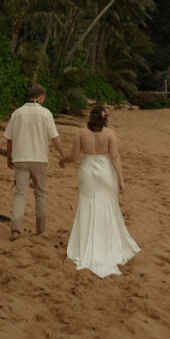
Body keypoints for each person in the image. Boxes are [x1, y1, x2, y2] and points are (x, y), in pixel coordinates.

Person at [60, 102, 139, 277]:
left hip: (87, 171)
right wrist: (121, 179)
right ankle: (106, 244)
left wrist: (62, 161)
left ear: (90, 117)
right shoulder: (110, 134)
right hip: (105, 172)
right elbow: (115, 156)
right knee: (107, 206)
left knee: (87, 205)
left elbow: (73, 156)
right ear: (105, 118)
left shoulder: (81, 133)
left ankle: (86, 245)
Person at [3, 83, 64, 241]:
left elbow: (9, 138)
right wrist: (63, 154)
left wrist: (9, 157)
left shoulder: (17, 113)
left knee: (20, 194)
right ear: (41, 97)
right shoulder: (46, 113)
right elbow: (54, 137)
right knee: (40, 193)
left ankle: (15, 230)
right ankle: (41, 230)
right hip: (39, 158)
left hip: (20, 157)